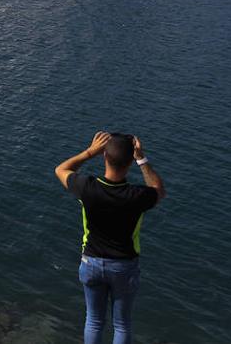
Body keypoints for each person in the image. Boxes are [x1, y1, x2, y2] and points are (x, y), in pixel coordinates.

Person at [56, 131, 166, 344]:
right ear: (130, 162)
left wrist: (90, 152)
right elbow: (159, 190)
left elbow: (61, 169)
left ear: (104, 156)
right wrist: (142, 158)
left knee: (94, 320)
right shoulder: (138, 196)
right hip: (124, 266)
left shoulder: (87, 188)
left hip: (91, 263)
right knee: (122, 324)